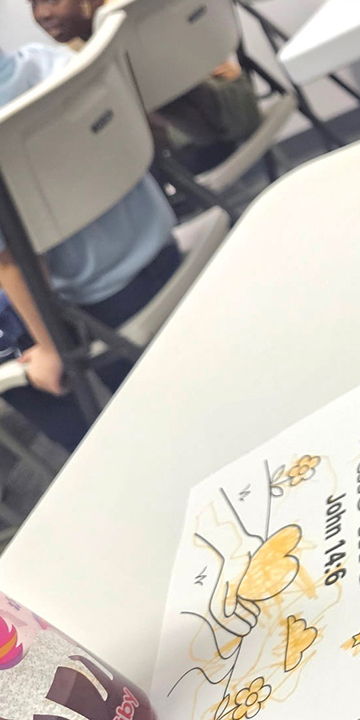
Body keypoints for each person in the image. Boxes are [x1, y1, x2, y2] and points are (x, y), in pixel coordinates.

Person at [0, 41, 179, 452]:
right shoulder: (51, 60)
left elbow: (14, 262)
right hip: (163, 240)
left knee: (164, 419)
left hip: (105, 304)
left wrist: (50, 348)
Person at [29, 0, 262, 175]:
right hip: (190, 139)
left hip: (229, 111)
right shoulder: (70, 52)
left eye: (52, 0)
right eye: (32, 3)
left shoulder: (136, 13)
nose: (42, 14)